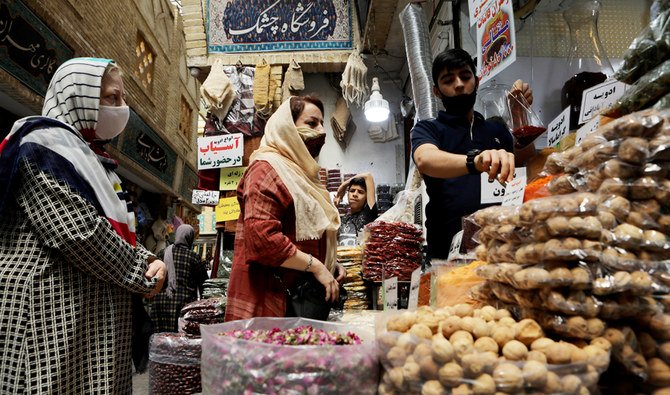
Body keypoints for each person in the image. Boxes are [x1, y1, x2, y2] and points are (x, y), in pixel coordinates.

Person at [0, 58, 166, 393]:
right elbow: (79, 233)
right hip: (51, 317)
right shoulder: (43, 147)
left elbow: (115, 230)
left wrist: (146, 260)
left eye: (122, 99)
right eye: (111, 98)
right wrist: (143, 269)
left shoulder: (94, 161)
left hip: (92, 318)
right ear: (79, 97)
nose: (122, 108)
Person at [225, 95, 346, 321]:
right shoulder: (266, 170)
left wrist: (330, 261)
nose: (320, 131)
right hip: (270, 297)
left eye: (321, 124)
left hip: (296, 298)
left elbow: (301, 233)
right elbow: (262, 239)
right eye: (311, 124)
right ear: (287, 127)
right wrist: (317, 266)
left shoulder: (303, 175)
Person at [411, 48, 535, 260]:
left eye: (465, 77)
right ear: (436, 91)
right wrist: (475, 161)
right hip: (447, 250)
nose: (459, 84)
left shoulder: (496, 130)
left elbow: (526, 161)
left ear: (476, 81)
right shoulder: (428, 129)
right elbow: (425, 159)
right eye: (448, 80)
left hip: (500, 245)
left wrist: (518, 114)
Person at [150, 224, 208, 332]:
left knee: (160, 340)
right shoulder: (193, 257)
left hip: (161, 303)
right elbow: (204, 284)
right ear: (190, 238)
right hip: (184, 305)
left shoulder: (162, 253)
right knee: (179, 342)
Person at [334, 172, 378, 246]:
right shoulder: (344, 218)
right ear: (347, 195)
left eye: (360, 192)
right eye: (352, 191)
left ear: (366, 197)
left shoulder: (369, 213)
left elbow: (368, 176)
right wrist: (335, 207)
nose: (355, 194)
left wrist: (344, 185)